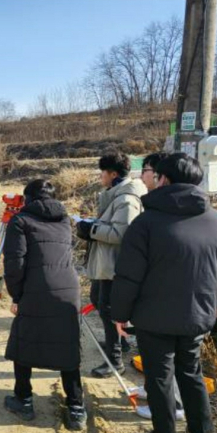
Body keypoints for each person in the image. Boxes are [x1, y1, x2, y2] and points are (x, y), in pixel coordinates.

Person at [112, 153, 217, 433]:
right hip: (199, 316)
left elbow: (128, 276)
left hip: (155, 318)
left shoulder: (146, 222)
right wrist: (210, 307)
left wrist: (119, 314)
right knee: (190, 372)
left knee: (160, 376)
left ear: (163, 179)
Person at [2, 179, 86, 430]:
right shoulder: (64, 220)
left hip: (36, 289)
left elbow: (14, 263)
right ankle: (76, 407)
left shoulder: (20, 221)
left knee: (25, 341)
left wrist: (16, 296)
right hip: (68, 289)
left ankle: (23, 400)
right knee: (67, 345)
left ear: (27, 199)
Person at [76, 154, 146, 378]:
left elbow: (122, 233)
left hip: (114, 265)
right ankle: (119, 340)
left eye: (102, 173)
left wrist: (92, 230)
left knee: (108, 308)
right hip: (105, 262)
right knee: (98, 300)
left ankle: (114, 360)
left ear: (113, 174)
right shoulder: (115, 196)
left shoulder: (126, 199)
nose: (100, 177)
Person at [128, 151, 185, 422]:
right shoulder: (153, 208)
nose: (143, 175)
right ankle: (154, 391)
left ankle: (170, 406)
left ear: (163, 176)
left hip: (168, 302)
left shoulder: (165, 213)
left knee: (168, 360)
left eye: (148, 170)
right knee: (154, 358)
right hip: (160, 300)